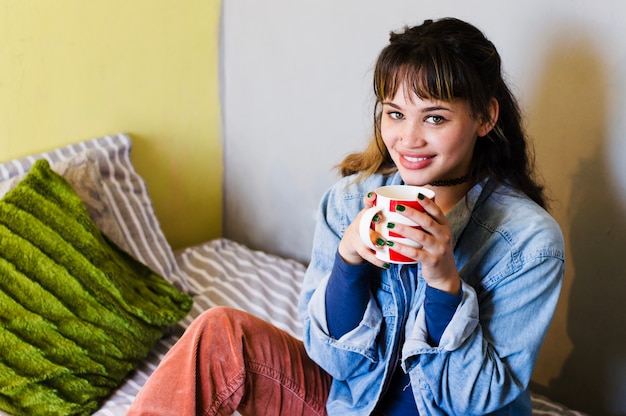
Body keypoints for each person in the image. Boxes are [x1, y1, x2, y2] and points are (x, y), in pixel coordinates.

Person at [127, 17, 564, 415]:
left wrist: (444, 281)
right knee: (218, 333)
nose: (408, 139)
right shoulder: (349, 201)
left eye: (434, 118)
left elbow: (471, 400)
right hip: (352, 403)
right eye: (395, 114)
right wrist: (349, 261)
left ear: (485, 117)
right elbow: (333, 359)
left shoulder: (528, 242)